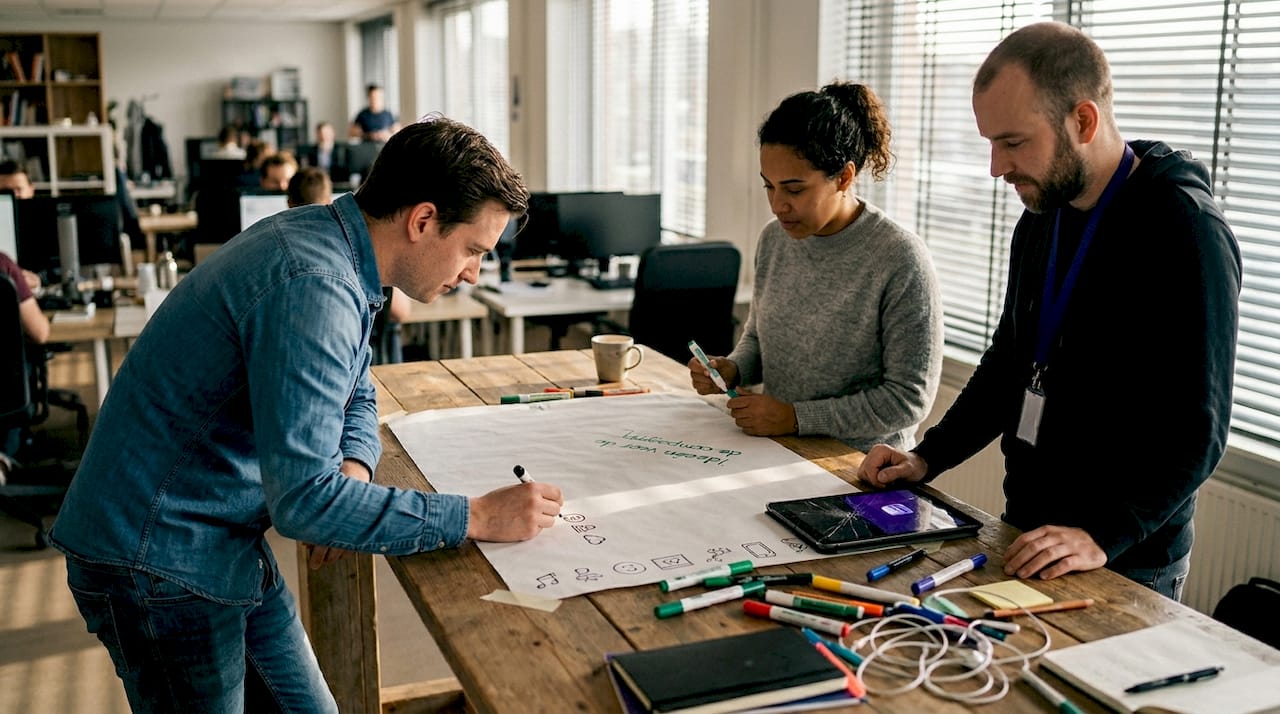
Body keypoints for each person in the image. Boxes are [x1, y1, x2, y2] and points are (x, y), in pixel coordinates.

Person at [49, 117, 561, 712]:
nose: (474, 271)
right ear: (423, 221)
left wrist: (354, 466)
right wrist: (476, 517)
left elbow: (358, 390)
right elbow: (306, 506)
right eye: (473, 249)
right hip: (156, 555)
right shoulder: (314, 281)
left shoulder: (336, 249)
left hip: (219, 529)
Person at [857, 22, 1241, 601]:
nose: (995, 167)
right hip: (1028, 529)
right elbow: (1012, 363)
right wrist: (927, 457)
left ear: (1083, 121)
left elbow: (1198, 429)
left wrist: (1101, 537)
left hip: (1123, 558)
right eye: (990, 143)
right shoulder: (1043, 215)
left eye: (1012, 143)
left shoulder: (1186, 232)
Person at [689, 82, 943, 452]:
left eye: (794, 190)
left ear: (844, 177)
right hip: (778, 450)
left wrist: (795, 417)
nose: (778, 205)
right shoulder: (774, 239)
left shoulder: (899, 258)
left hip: (859, 469)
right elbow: (759, 338)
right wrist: (733, 368)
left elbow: (908, 399)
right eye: (769, 187)